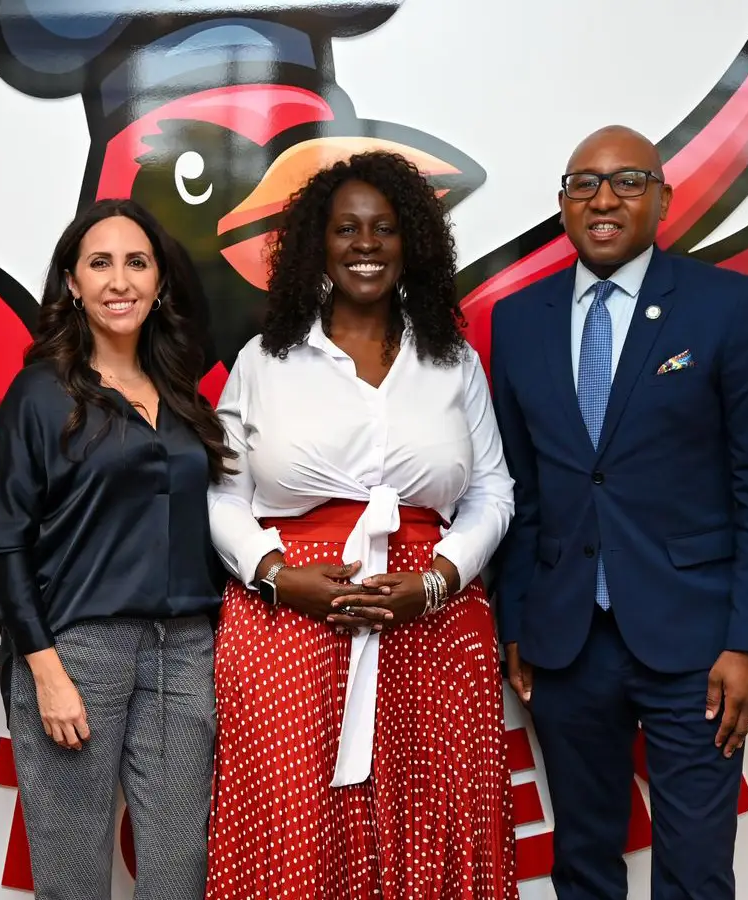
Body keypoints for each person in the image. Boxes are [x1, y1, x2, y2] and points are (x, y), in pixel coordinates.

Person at [488, 125, 748, 900]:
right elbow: (520, 489)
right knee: (585, 866)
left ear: (662, 197)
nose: (603, 198)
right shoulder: (519, 320)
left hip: (697, 646)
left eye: (627, 180)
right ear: (562, 204)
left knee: (695, 872)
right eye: (583, 183)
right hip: (566, 648)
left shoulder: (727, 307)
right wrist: (518, 620)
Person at [204, 150, 519, 900]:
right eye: (346, 229)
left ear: (411, 241)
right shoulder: (265, 361)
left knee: (430, 834)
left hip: (434, 631)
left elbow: (493, 491)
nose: (366, 244)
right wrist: (277, 575)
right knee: (293, 839)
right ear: (319, 243)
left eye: (383, 228)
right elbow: (221, 496)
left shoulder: (453, 363)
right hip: (287, 634)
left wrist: (440, 580)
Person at [0, 197, 234, 900]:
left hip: (185, 649)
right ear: (73, 283)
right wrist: (46, 671)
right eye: (100, 263)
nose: (120, 281)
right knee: (73, 880)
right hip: (77, 651)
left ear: (160, 282)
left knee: (179, 878)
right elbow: (1, 542)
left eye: (137, 263)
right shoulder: (40, 394)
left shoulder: (183, 392)